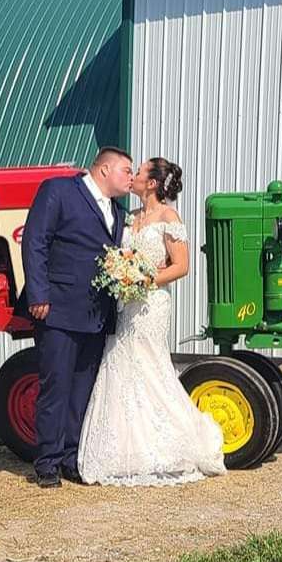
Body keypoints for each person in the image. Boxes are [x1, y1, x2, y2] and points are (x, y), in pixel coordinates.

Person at [78, 157, 226, 486]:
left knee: (150, 364)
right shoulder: (128, 218)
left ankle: (175, 442)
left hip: (152, 303)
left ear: (153, 184)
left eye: (139, 172)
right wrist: (120, 273)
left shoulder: (168, 217)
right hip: (125, 303)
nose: (132, 177)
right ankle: (124, 450)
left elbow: (181, 266)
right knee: (122, 364)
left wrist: (145, 279)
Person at [21, 146, 134, 488]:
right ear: (104, 170)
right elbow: (35, 240)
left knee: (82, 388)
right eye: (126, 171)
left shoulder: (117, 210)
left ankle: (72, 457)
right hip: (57, 307)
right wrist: (38, 294)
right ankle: (47, 463)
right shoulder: (59, 190)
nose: (131, 177)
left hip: (96, 312)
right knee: (56, 386)